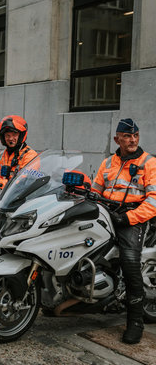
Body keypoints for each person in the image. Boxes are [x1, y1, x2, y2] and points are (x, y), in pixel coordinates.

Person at [91, 118, 156, 344]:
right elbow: (94, 191)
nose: (133, 139)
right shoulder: (108, 163)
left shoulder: (149, 162)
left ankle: (135, 321)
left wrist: (128, 218)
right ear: (117, 138)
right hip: (108, 214)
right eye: (127, 136)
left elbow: (154, 200)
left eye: (136, 135)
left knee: (129, 261)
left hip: (134, 217)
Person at [0, 115, 37, 187]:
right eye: (7, 135)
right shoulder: (2, 155)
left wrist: (0, 183)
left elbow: (24, 183)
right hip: (3, 196)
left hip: (21, 197)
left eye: (14, 134)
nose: (10, 138)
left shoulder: (30, 155)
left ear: (21, 136)